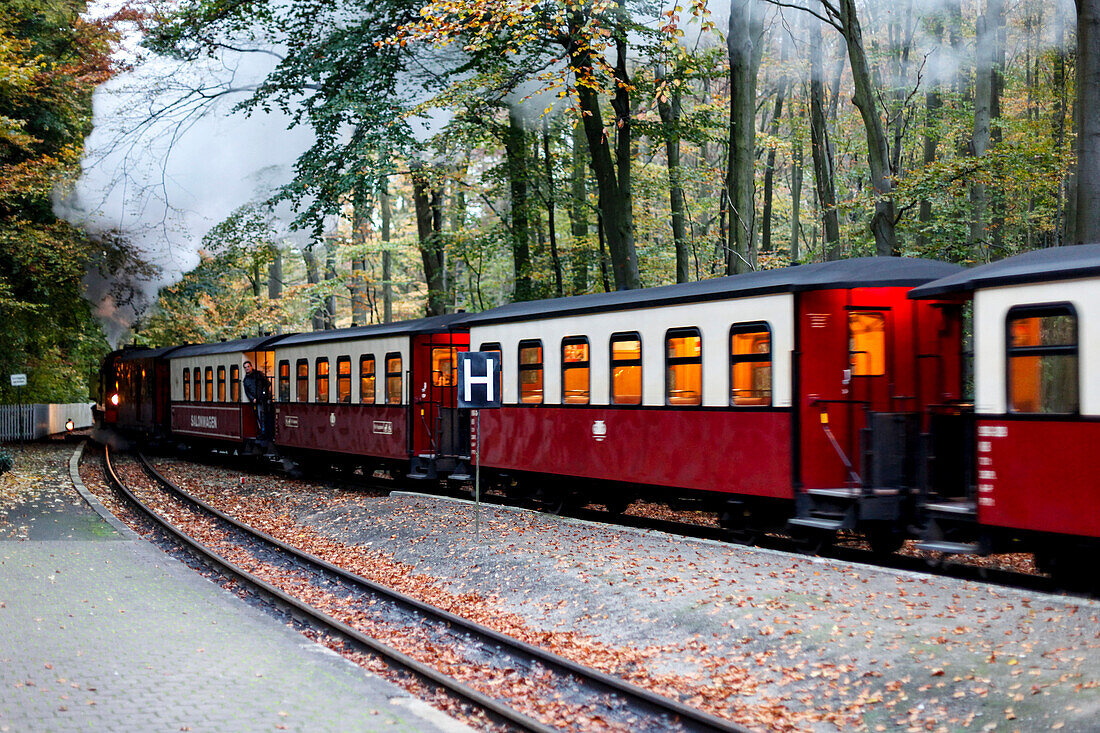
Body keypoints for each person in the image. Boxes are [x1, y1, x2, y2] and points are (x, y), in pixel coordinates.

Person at [242, 359, 273, 440]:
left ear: (251, 367)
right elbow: (247, 392)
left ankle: (267, 433)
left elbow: (267, 383)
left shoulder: (259, 374)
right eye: (245, 367)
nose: (247, 368)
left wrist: (263, 394)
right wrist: (253, 399)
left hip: (265, 399)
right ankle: (263, 433)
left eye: (248, 366)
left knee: (266, 415)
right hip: (257, 401)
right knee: (260, 417)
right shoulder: (246, 380)